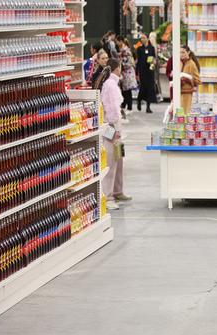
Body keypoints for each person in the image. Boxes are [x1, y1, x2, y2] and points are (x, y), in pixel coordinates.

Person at [99, 58, 132, 210]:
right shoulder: (111, 85)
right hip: (112, 127)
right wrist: (117, 131)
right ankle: (108, 196)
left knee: (119, 159)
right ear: (117, 69)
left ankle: (118, 191)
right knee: (111, 162)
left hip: (115, 126)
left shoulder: (111, 83)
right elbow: (111, 108)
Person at [136, 33, 157, 113]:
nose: (142, 39)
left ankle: (148, 107)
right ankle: (139, 100)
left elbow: (154, 58)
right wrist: (137, 72)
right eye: (141, 38)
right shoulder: (139, 49)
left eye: (144, 38)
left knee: (150, 88)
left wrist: (153, 63)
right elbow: (138, 61)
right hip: (142, 70)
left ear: (147, 39)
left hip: (150, 70)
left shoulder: (151, 48)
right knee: (142, 87)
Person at [116, 36, 138, 114]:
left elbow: (128, 63)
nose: (116, 43)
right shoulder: (124, 50)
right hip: (126, 73)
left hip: (127, 73)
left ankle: (129, 107)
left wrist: (120, 64)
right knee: (126, 91)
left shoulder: (125, 51)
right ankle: (126, 106)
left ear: (121, 41)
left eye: (117, 41)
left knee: (127, 91)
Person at [179, 45, 201, 114]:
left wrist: (187, 79)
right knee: (179, 113)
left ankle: (184, 124)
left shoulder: (191, 64)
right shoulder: (181, 62)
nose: (181, 54)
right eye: (180, 52)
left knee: (184, 113)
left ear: (188, 52)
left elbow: (198, 80)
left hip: (186, 92)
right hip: (179, 92)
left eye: (183, 52)